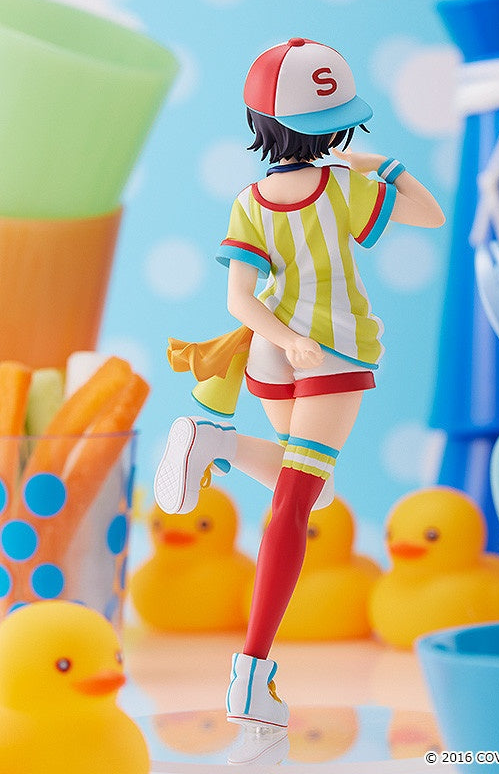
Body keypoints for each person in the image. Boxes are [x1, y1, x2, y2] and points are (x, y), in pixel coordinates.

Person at [154, 37, 444, 731]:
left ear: (263, 124)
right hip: (332, 354)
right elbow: (429, 213)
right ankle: (252, 672)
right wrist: (382, 164)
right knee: (293, 506)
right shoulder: (345, 190)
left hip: (270, 354)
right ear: (332, 127)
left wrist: (281, 341)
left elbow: (238, 299)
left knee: (316, 488)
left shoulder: (249, 200)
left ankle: (220, 444)